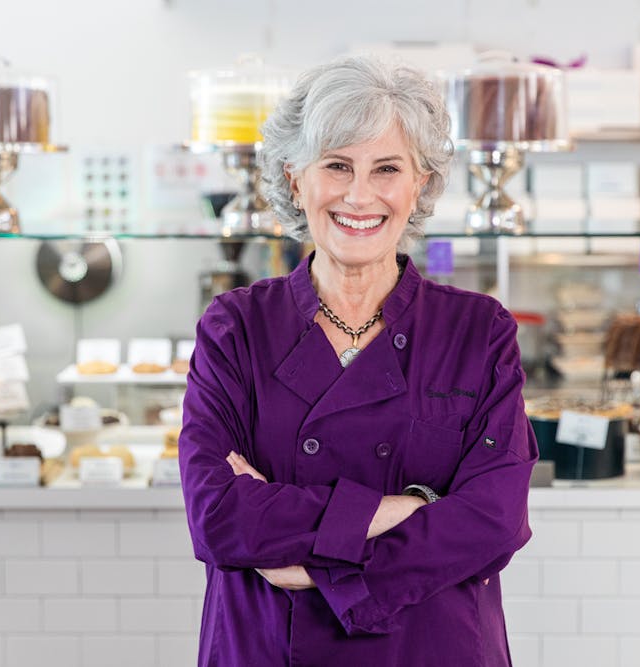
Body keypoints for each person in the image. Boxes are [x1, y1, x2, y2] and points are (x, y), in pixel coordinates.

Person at [179, 54, 538, 666]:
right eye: (337, 165)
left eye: (387, 168)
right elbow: (219, 516)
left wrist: (321, 572)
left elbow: (494, 520)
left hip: (431, 649)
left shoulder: (478, 331)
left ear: (418, 183)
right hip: (269, 645)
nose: (360, 195)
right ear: (296, 179)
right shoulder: (235, 327)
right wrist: (411, 509)